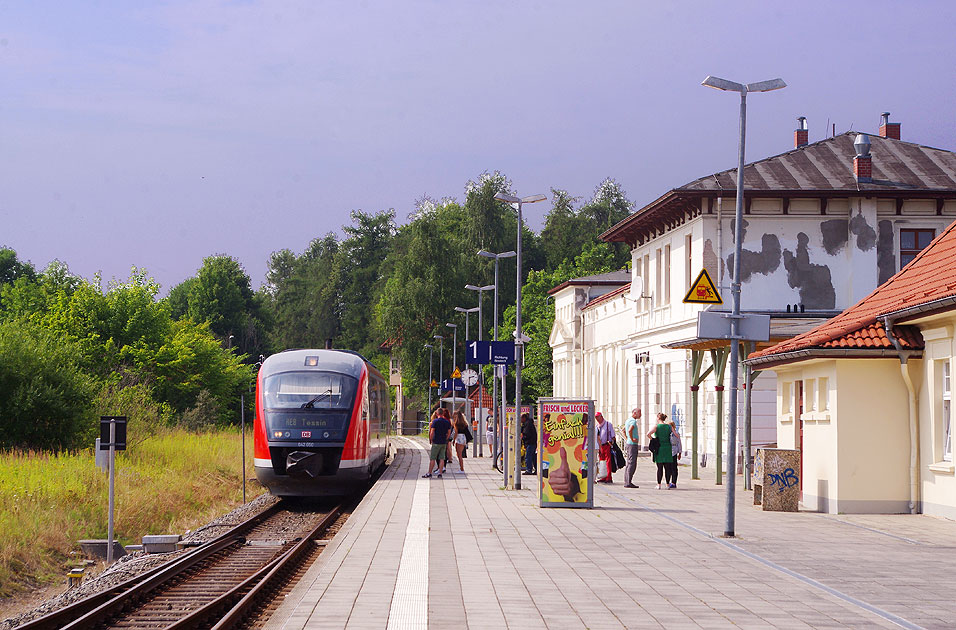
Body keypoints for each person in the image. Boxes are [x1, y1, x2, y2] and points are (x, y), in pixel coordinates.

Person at [647, 412, 674, 489]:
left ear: (658, 418)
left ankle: (659, 484)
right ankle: (668, 484)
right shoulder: (669, 426)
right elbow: (676, 434)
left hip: (660, 448)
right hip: (668, 447)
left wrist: (653, 439)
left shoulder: (656, 427)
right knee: (667, 467)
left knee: (659, 467)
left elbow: (648, 434)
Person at [424, 409, 452, 478]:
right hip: (443, 442)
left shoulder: (435, 421)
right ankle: (440, 473)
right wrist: (446, 439)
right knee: (442, 458)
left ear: (437, 414)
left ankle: (429, 473)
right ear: (443, 414)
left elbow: (432, 431)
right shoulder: (447, 422)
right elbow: (449, 432)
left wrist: (431, 439)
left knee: (433, 458)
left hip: (436, 442)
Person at [594, 412, 615, 483]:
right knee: (601, 461)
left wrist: (611, 442)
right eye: (596, 418)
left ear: (601, 416)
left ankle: (609, 477)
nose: (597, 419)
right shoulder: (597, 426)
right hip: (600, 446)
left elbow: (613, 436)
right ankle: (603, 476)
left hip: (606, 445)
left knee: (608, 462)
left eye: (598, 417)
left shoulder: (608, 424)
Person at [624, 407, 641, 488]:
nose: (640, 414)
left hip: (629, 443)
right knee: (632, 463)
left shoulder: (628, 420)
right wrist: (631, 438)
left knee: (629, 462)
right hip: (632, 444)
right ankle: (628, 482)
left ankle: (627, 480)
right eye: (639, 413)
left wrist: (627, 438)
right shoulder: (633, 421)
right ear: (634, 413)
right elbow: (630, 430)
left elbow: (623, 430)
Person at [666, 417, 682, 488]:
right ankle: (668, 482)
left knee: (674, 467)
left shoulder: (676, 434)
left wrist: (680, 452)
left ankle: (674, 482)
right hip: (668, 451)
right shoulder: (666, 434)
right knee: (668, 468)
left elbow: (679, 443)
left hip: (674, 451)